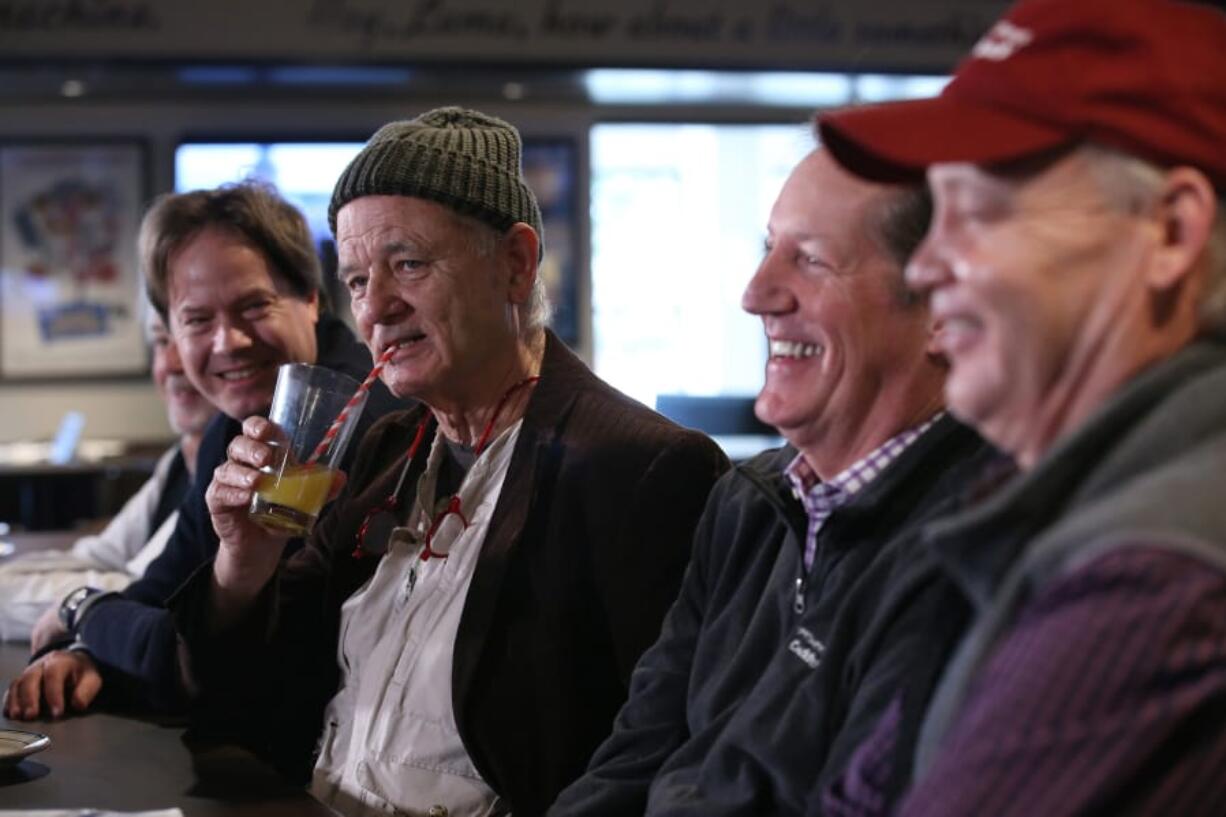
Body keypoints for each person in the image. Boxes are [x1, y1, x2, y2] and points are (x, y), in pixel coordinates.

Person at [166, 107, 729, 816]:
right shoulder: (383, 449)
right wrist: (242, 564)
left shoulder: (643, 468)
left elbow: (669, 751)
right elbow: (253, 696)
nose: (376, 309)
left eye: (408, 264)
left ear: (515, 265)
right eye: (359, 280)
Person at [813, 1, 1226, 815]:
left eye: (978, 210)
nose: (925, 265)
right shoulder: (1042, 499)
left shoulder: (1155, 572)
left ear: (1171, 231)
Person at [549, 147, 995, 816]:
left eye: (810, 259)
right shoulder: (747, 501)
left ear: (940, 306)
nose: (755, 293)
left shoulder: (978, 544)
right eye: (767, 248)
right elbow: (635, 754)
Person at [4, 181, 399, 720]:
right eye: (197, 319)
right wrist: (86, 653)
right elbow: (164, 588)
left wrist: (83, 611)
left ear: (310, 299)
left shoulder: (354, 418)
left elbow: (200, 664)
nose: (227, 341)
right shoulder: (238, 418)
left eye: (254, 306)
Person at [0, 309, 216, 647]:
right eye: (161, 341)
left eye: (192, 336)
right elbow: (100, 555)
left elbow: (140, 592)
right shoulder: (178, 459)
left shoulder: (232, 474)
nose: (172, 364)